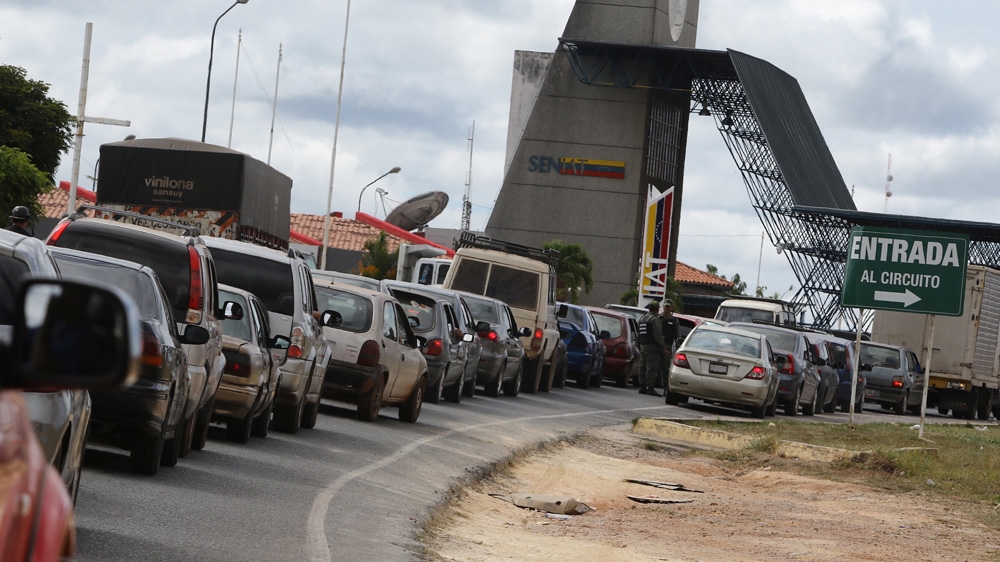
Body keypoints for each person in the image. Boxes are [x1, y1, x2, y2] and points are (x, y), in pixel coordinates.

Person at [636, 301, 665, 396]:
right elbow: (658, 335)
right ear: (657, 309)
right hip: (652, 347)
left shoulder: (642, 318)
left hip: (643, 346)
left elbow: (639, 334)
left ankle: (642, 386)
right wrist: (663, 348)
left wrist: (638, 344)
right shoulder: (654, 319)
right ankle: (650, 387)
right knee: (651, 367)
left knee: (642, 366)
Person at [657, 299, 680, 389]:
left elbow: (677, 335)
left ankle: (666, 386)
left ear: (671, 308)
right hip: (657, 345)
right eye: (665, 306)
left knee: (665, 367)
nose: (666, 309)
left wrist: (677, 347)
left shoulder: (674, 321)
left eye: (668, 307)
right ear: (663, 307)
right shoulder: (658, 318)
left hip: (667, 346)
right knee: (653, 365)